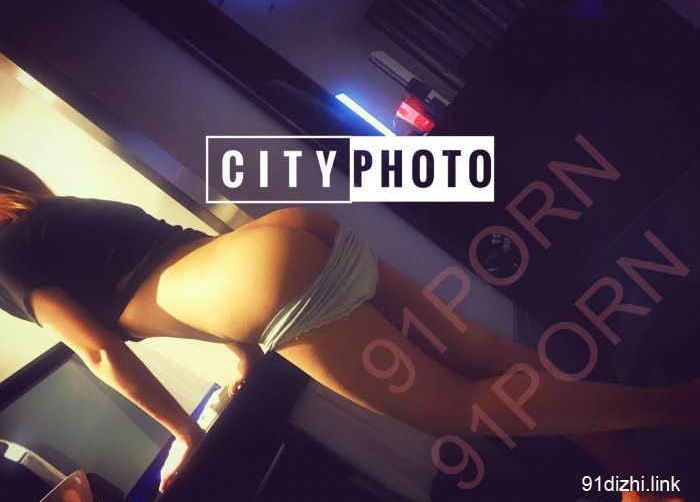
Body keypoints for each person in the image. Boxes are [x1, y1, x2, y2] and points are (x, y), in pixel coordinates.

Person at [0, 155, 694, 500]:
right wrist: (241, 354)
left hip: (263, 281)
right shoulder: (49, 216)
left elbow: (98, 349)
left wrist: (185, 433)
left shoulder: (6, 254)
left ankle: (677, 407)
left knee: (461, 408)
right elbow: (170, 265)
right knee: (483, 354)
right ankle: (642, 481)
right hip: (287, 236)